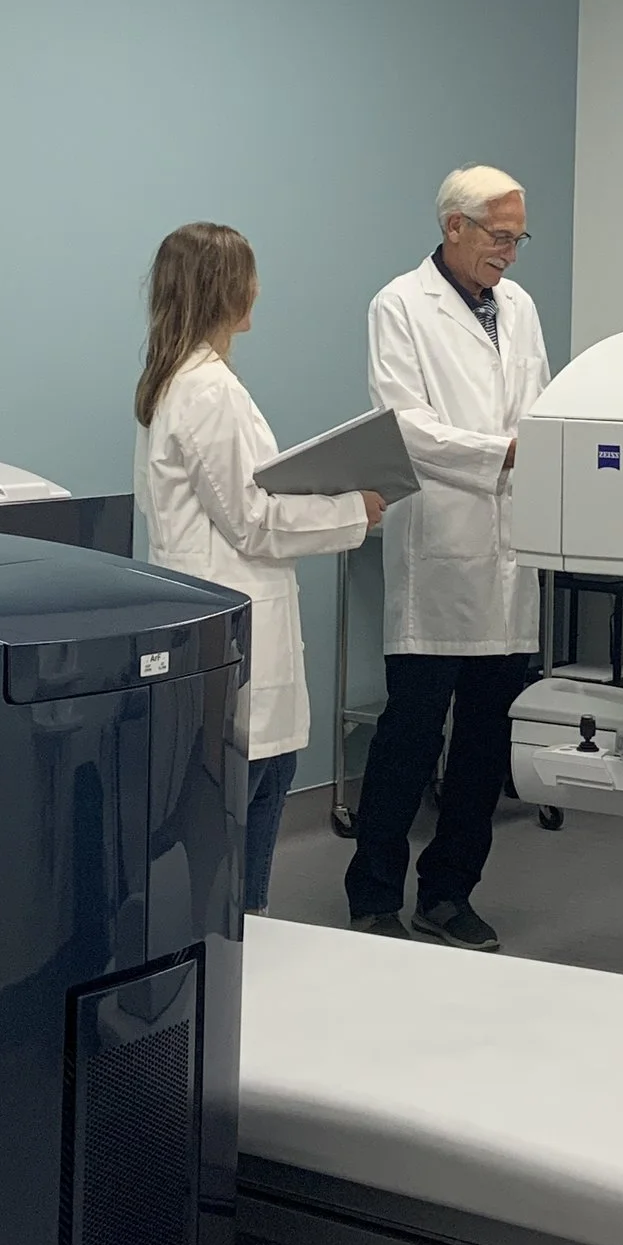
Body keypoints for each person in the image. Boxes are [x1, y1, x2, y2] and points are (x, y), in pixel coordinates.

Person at [135, 224, 385, 920]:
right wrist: (353, 512)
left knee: (215, 829)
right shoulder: (207, 390)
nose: (259, 290)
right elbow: (253, 519)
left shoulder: (174, 383)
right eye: (251, 275)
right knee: (243, 835)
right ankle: (241, 980)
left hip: (214, 628)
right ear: (228, 289)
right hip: (236, 635)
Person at [344, 166, 550, 951]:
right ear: (454, 226)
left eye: (517, 237)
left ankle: (449, 891)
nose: (510, 252)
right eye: (500, 235)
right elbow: (407, 425)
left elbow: (542, 403)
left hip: (510, 549)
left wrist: (543, 453)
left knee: (485, 739)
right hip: (440, 543)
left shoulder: (519, 308)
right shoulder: (400, 304)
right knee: (410, 735)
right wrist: (504, 453)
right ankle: (371, 896)